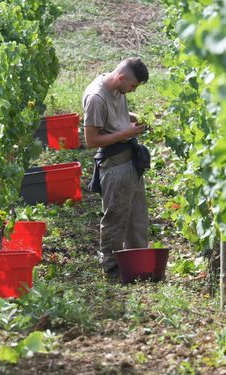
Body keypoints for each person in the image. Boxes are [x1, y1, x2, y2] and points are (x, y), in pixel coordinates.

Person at [82, 57, 150, 279]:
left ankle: (138, 264)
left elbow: (114, 117)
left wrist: (134, 119)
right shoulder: (96, 97)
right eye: (133, 86)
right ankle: (111, 268)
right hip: (114, 166)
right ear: (121, 77)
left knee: (137, 217)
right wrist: (127, 133)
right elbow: (91, 140)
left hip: (130, 161)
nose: (133, 91)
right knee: (115, 218)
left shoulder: (117, 90)